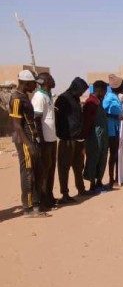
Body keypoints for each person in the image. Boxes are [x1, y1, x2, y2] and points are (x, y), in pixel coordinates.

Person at [9, 70, 48, 217]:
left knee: (37, 171)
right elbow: (17, 125)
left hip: (31, 139)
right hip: (24, 140)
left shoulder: (24, 96)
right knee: (28, 173)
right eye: (33, 83)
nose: (35, 86)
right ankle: (28, 208)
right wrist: (29, 145)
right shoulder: (16, 99)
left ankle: (36, 204)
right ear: (26, 83)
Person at [55, 77, 88, 204]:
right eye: (81, 90)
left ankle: (81, 189)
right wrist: (62, 134)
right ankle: (65, 193)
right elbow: (58, 119)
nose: (81, 93)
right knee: (64, 168)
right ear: (75, 87)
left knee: (78, 166)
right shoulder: (62, 99)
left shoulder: (75, 98)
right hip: (67, 139)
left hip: (78, 139)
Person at [31, 72, 58, 209]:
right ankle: (42, 200)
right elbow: (36, 120)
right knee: (44, 171)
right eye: (49, 78)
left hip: (52, 138)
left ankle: (49, 196)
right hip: (44, 140)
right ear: (43, 81)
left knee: (51, 168)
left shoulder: (48, 96)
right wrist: (40, 140)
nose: (52, 80)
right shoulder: (39, 96)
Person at [82, 80, 109, 192]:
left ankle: (99, 181)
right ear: (99, 90)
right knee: (93, 158)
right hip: (94, 136)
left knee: (102, 158)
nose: (105, 94)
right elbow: (87, 122)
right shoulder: (90, 102)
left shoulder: (99, 101)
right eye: (104, 91)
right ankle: (92, 183)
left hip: (102, 135)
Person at [104, 75, 123, 188]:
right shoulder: (109, 98)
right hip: (111, 130)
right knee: (113, 155)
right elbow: (105, 111)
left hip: (116, 129)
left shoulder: (115, 97)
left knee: (115, 154)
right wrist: (116, 116)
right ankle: (112, 178)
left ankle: (116, 177)